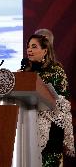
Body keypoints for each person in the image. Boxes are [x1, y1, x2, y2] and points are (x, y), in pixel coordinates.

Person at [21, 34, 75, 167]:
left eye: (34, 47)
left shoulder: (56, 70)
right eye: (28, 47)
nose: (29, 50)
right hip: (29, 125)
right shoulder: (25, 71)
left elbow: (63, 101)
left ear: (45, 50)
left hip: (52, 127)